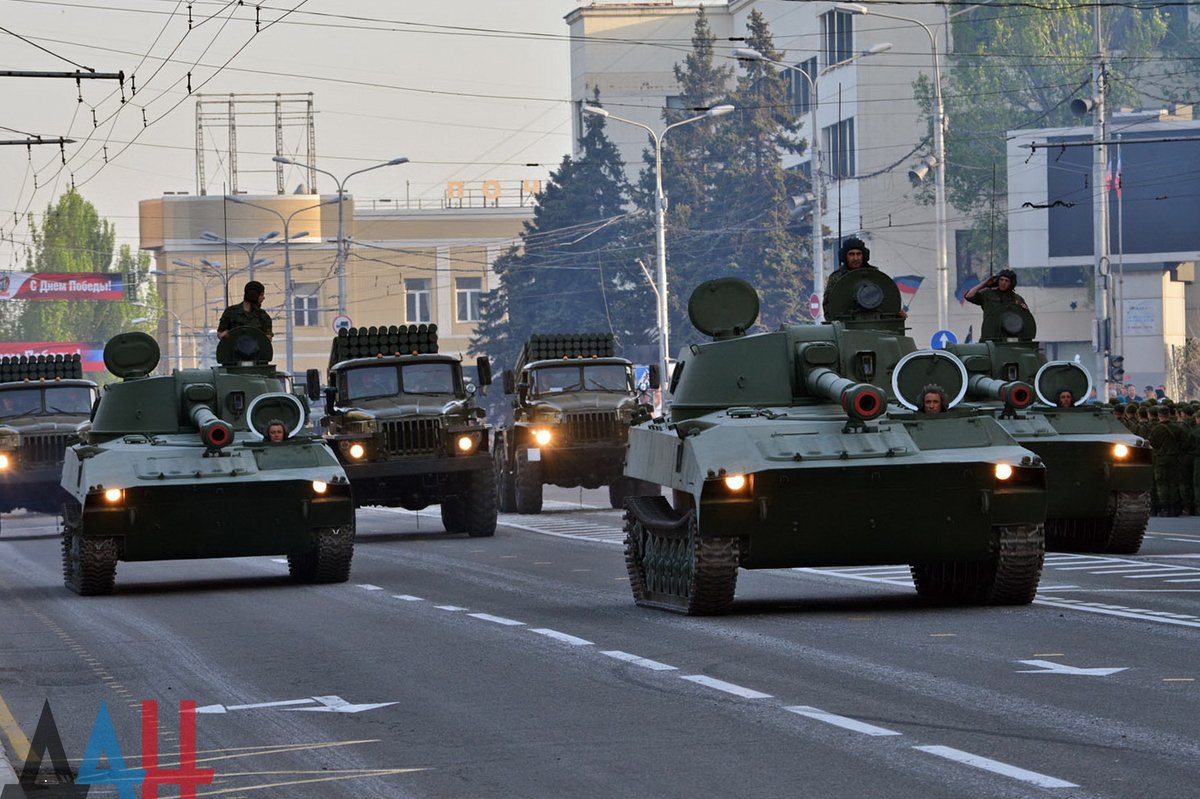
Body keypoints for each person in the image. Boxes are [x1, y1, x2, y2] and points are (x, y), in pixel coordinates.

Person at [822, 237, 907, 319]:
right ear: (845, 256)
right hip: (847, 324)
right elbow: (828, 307)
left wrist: (896, 313)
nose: (855, 258)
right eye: (851, 254)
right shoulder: (837, 278)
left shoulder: (874, 274)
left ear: (864, 255)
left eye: (859, 254)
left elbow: (885, 299)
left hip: (874, 322)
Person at [962, 268, 1028, 312]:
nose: (1003, 283)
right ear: (998, 280)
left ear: (1011, 284)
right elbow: (968, 296)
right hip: (991, 331)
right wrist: (985, 283)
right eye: (1001, 279)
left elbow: (1025, 317)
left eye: (1006, 281)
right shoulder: (988, 294)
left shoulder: (1016, 299)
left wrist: (1023, 309)